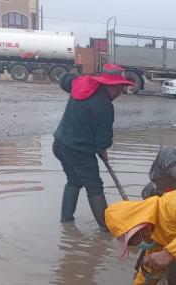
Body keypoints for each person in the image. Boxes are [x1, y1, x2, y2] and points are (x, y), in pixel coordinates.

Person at [52, 64, 134, 229]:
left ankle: (66, 221)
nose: (121, 92)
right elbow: (102, 141)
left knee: (74, 180)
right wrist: (103, 149)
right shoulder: (104, 106)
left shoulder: (81, 84)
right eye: (121, 87)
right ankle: (106, 228)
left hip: (59, 145)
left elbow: (64, 80)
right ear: (112, 86)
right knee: (94, 186)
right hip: (78, 151)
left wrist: (76, 76)